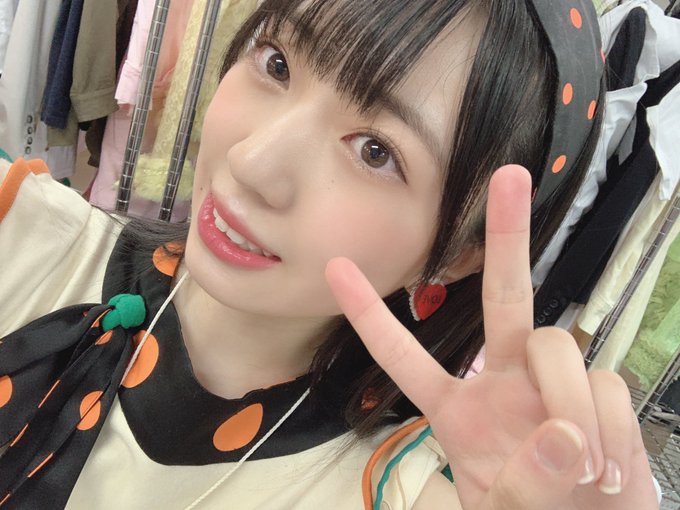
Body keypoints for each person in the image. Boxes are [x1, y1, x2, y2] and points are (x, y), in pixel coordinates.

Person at [0, 0, 660, 508]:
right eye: (276, 64)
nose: (252, 162)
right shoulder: (24, 232)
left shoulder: (403, 493)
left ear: (459, 255)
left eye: (375, 151)